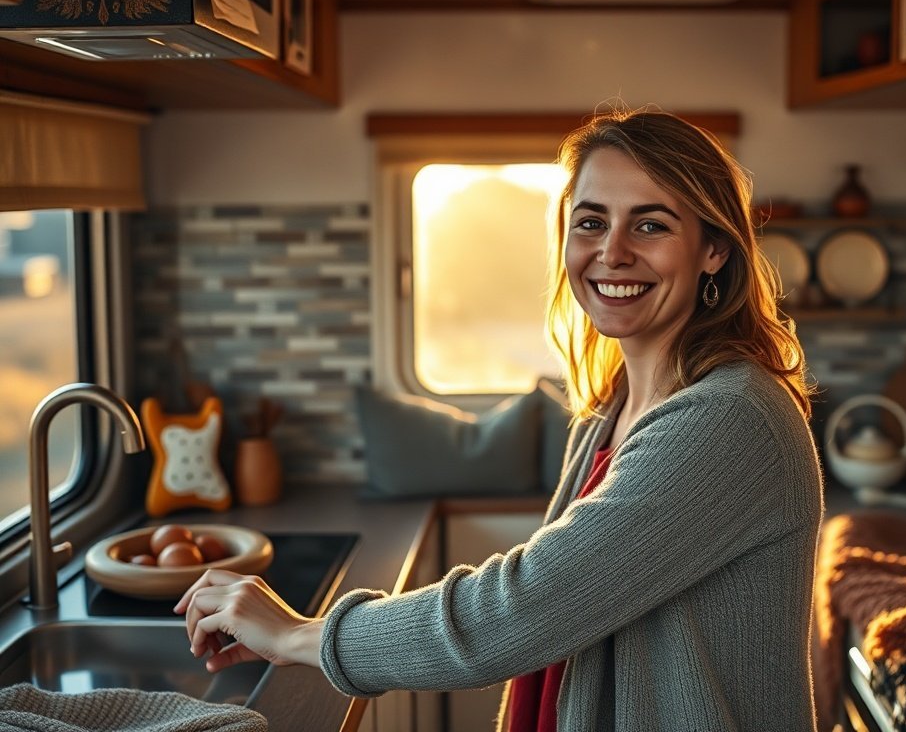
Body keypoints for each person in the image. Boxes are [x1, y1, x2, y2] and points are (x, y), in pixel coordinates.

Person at [175, 107, 823, 731]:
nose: (612, 251)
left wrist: (300, 634)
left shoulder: (730, 418)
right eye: (590, 222)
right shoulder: (611, 407)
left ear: (715, 249)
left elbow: (524, 609)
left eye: (651, 225)